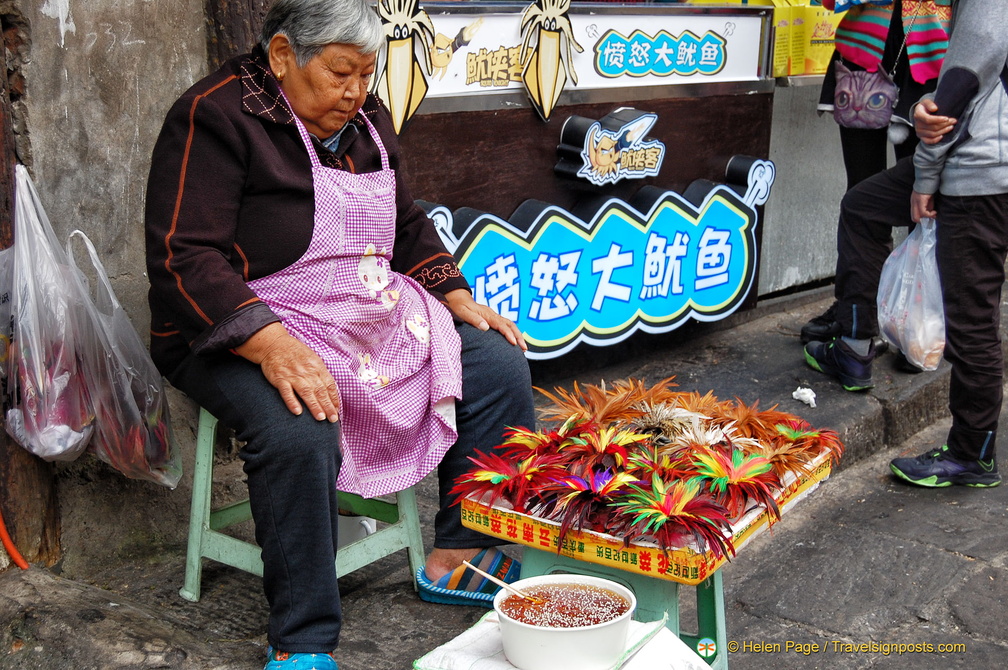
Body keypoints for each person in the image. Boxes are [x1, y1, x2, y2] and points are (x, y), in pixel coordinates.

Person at [144, 1, 535, 668]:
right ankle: (302, 638)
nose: (356, 92)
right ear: (281, 57)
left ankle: (461, 552)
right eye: (339, 73)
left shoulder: (363, 121)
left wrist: (453, 291)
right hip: (229, 325)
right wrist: (266, 342)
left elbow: (405, 221)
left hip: (352, 309)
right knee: (299, 425)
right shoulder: (215, 115)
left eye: (366, 74)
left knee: (495, 364)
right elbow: (185, 258)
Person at [804, 0, 1005, 488]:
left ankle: (972, 453)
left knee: (972, 319)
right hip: (979, 155)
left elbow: (955, 93)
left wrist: (925, 178)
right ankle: (853, 340)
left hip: (980, 171)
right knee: (863, 204)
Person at [801, 0, 950, 351]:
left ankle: (916, 322)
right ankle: (858, 314)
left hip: (929, 59)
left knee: (923, 202)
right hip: (863, 57)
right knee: (862, 197)